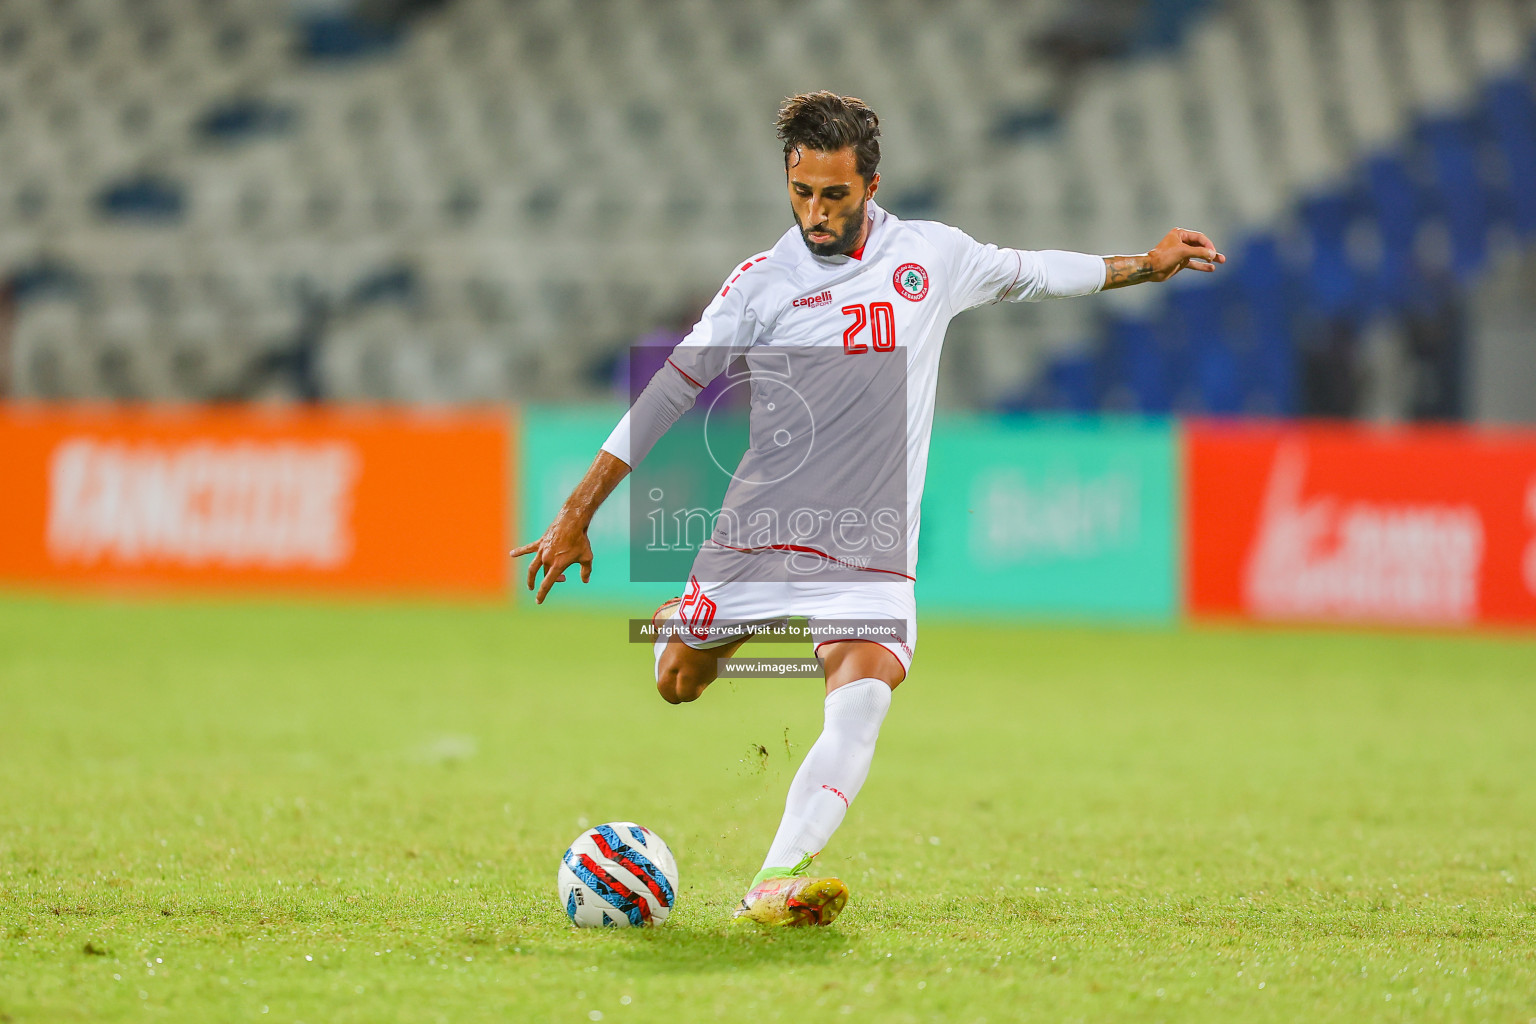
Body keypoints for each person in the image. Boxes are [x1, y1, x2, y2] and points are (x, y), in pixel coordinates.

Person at [513, 91, 1223, 927]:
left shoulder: (933, 258)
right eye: (802, 192)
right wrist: (577, 511)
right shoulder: (760, 283)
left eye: (835, 195)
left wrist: (1143, 264)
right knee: (678, 682)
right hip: (760, 529)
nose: (815, 213)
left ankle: (774, 881)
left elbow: (1037, 271)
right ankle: (694, 626)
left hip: (870, 543)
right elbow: (670, 391)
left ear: (871, 186)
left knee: (864, 696)